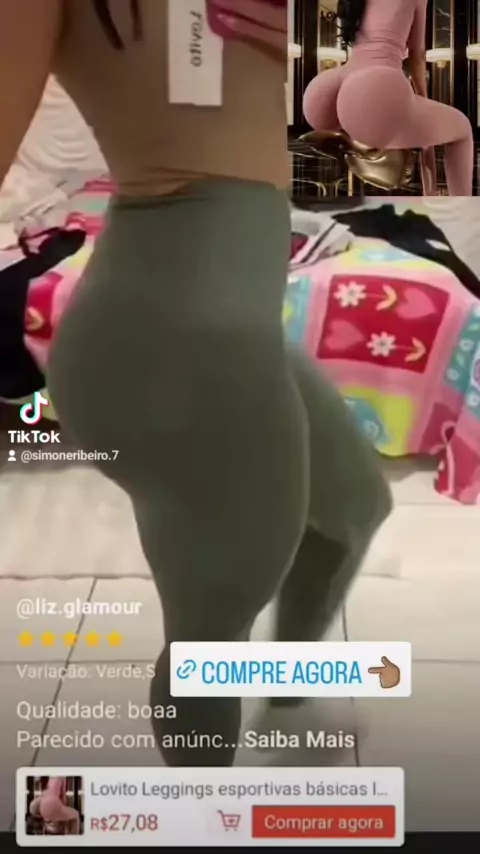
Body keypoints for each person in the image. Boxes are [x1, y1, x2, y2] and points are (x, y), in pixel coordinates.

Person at [0, 0, 391, 767]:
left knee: (351, 510)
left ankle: (283, 706)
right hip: (173, 341)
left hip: (226, 330)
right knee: (209, 642)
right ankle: (199, 814)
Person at [303, 0, 474, 196]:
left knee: (379, 126)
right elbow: (417, 56)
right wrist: (422, 99)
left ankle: (355, 139)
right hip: (374, 85)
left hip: (330, 85)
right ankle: (463, 210)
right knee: (463, 129)